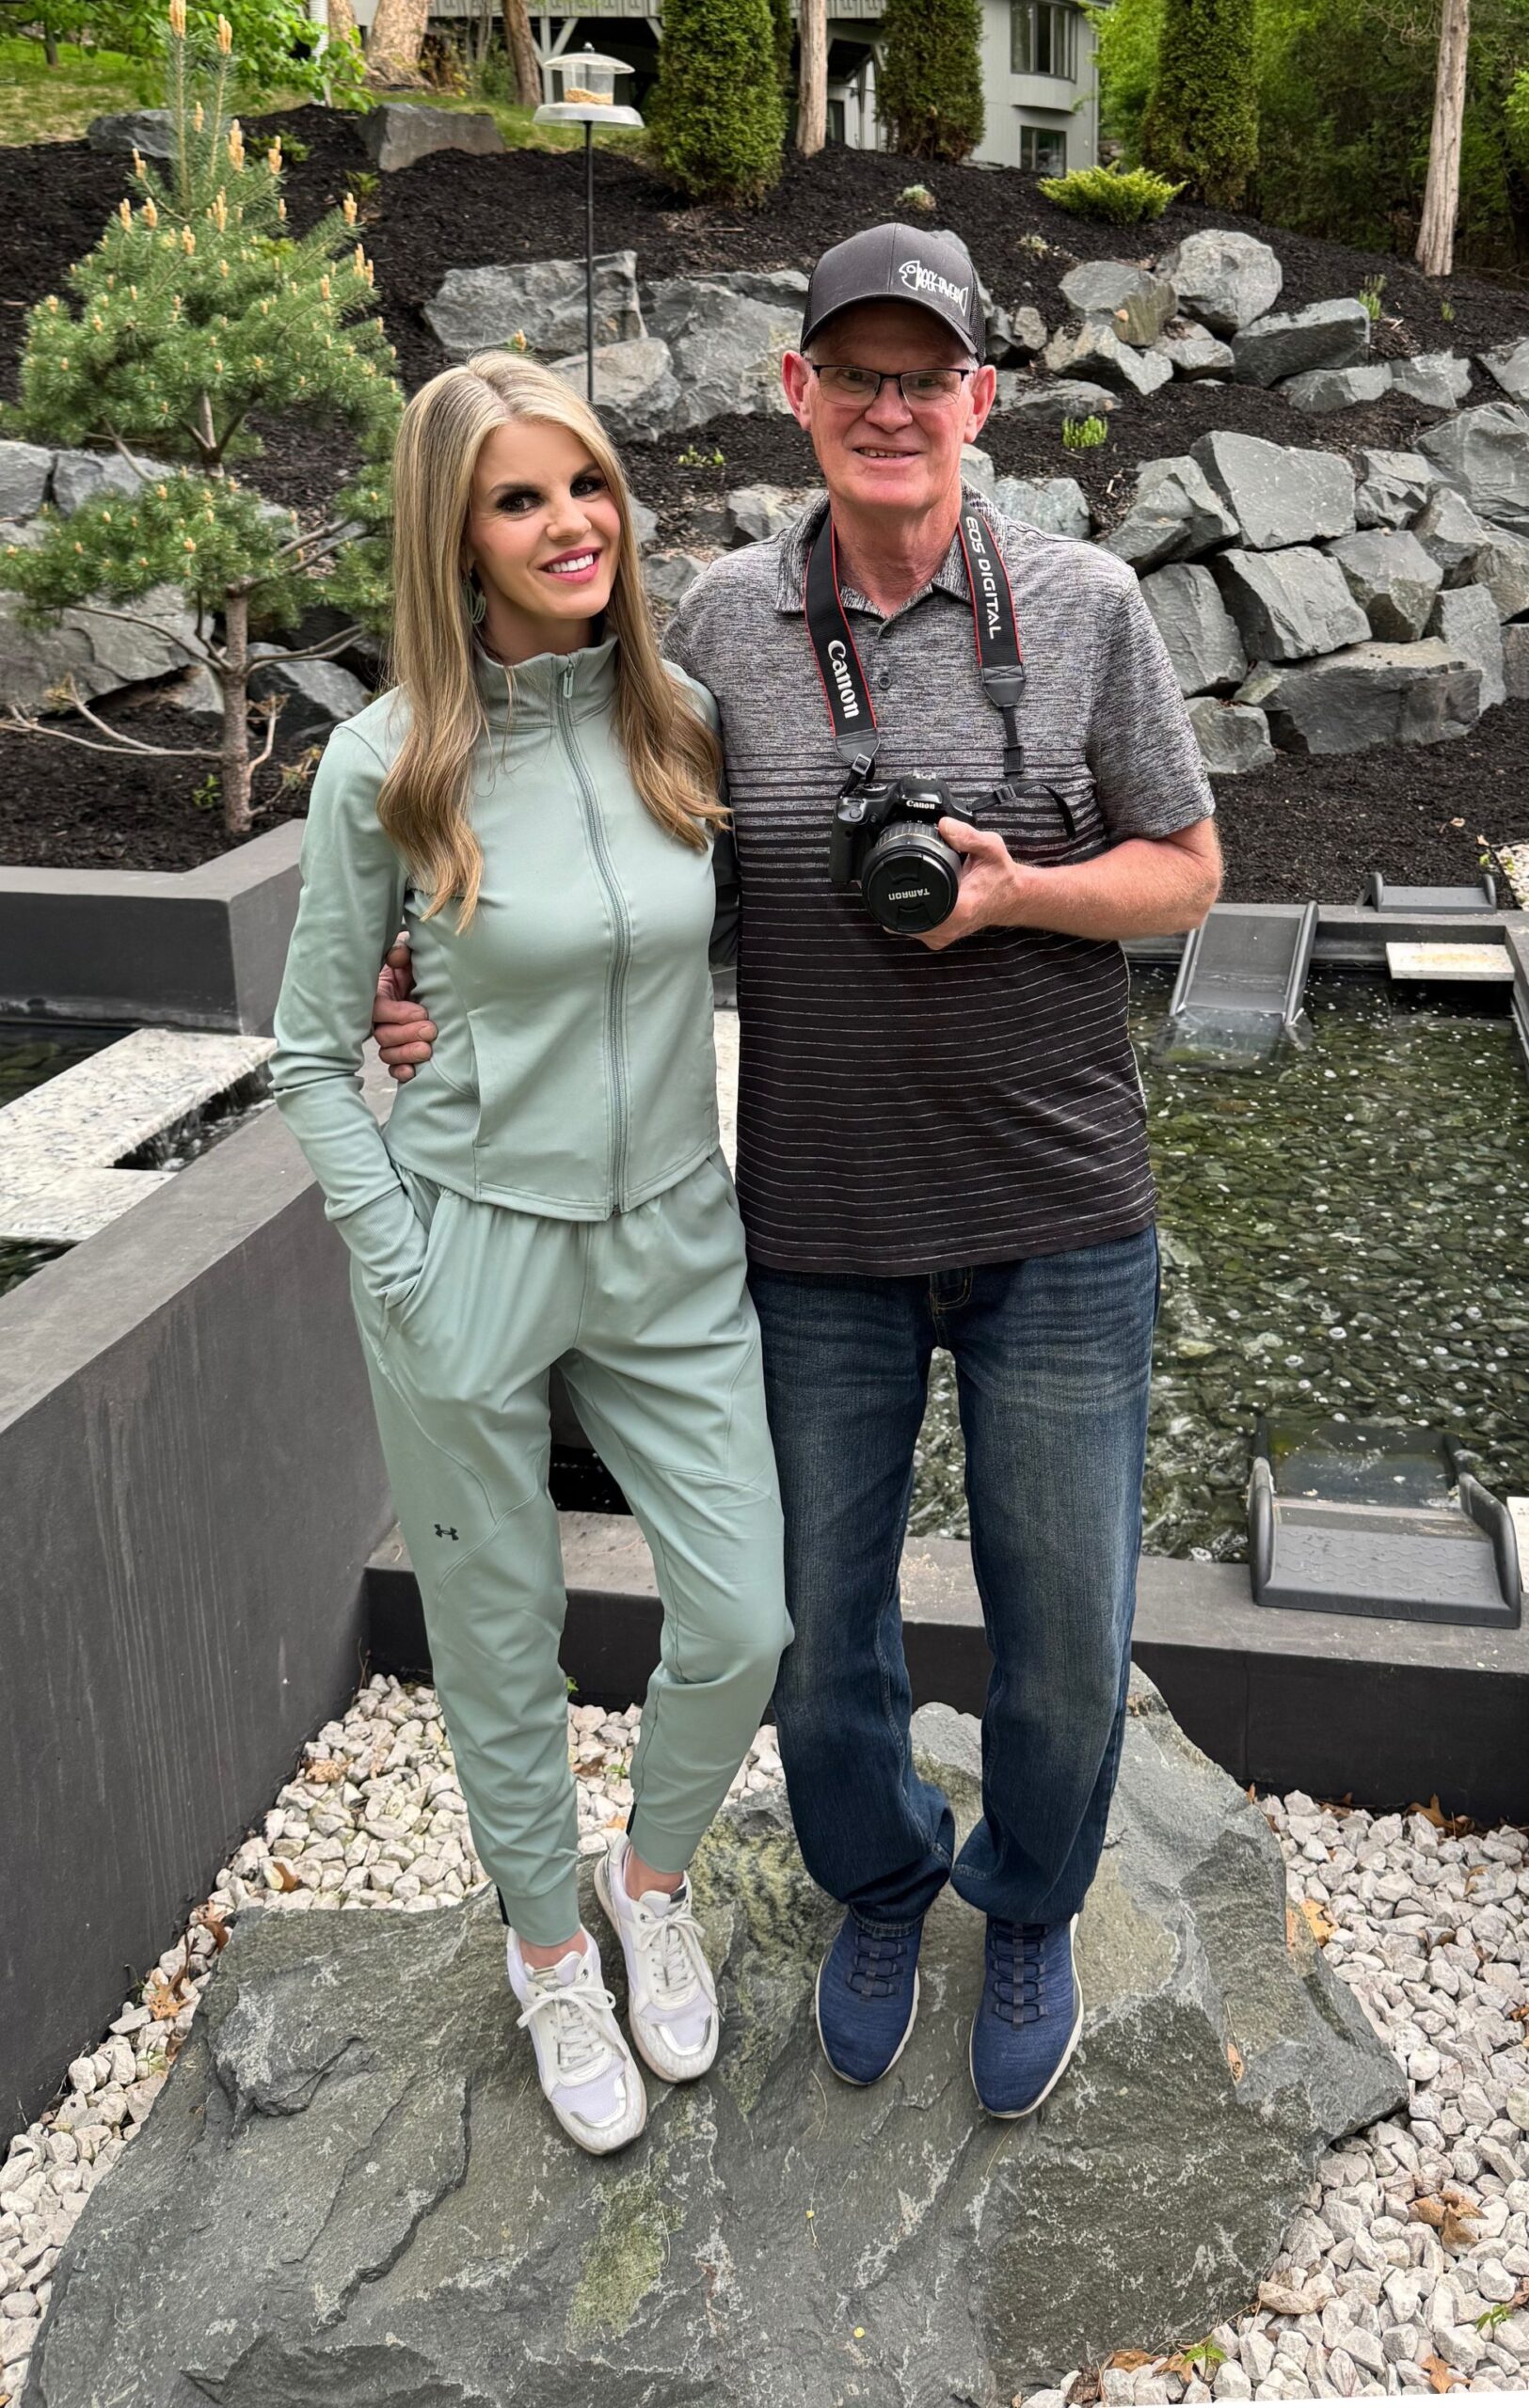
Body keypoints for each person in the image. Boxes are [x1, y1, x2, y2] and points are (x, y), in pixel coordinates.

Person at [373, 226, 1222, 2121]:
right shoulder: (715, 631)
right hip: (816, 1231)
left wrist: (1015, 886)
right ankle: (878, 1878)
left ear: (981, 404)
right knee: (814, 1635)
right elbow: (568, 831)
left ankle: (1023, 1901)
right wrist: (425, 986)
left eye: (930, 376)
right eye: (861, 373)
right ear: (799, 396)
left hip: (1063, 1212)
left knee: (1067, 1628)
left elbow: (1188, 864)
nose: (894, 406)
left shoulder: (1083, 603)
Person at [269, 353, 791, 2157]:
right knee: (498, 1643)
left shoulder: (680, 724)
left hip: (671, 1243)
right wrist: (400, 1256)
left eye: (587, 485)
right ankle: (549, 1945)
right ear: (453, 536)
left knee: (742, 1618)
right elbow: (307, 1049)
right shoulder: (386, 766)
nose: (570, 523)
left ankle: (650, 1881)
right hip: (465, 1245)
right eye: (518, 497)